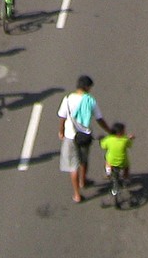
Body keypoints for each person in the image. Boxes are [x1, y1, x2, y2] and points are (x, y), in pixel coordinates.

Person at [57, 75, 112, 203]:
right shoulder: (90, 101)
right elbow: (99, 119)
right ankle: (83, 181)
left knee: (73, 166)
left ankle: (77, 194)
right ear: (87, 87)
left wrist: (61, 131)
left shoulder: (68, 99)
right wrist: (109, 131)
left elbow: (62, 117)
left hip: (71, 136)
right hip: (85, 136)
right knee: (84, 160)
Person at [100, 121, 134, 193]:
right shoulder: (125, 140)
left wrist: (102, 140)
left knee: (107, 159)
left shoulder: (109, 139)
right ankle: (125, 179)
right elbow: (130, 145)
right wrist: (130, 139)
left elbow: (103, 146)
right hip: (122, 161)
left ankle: (108, 172)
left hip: (112, 161)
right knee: (127, 167)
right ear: (120, 133)